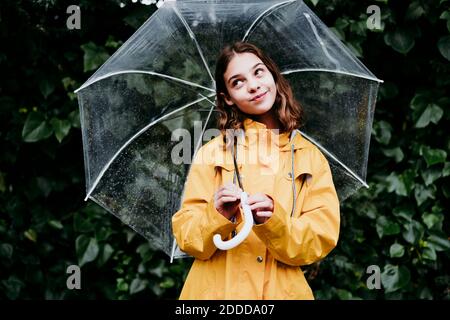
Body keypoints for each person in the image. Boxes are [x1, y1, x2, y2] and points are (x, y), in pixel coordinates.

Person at [172, 41, 340, 300]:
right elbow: (188, 237)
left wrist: (275, 221)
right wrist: (216, 215)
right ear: (227, 97)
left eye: (258, 72)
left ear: (272, 74)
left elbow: (319, 238)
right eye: (237, 82)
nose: (253, 85)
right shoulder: (214, 153)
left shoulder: (309, 157)